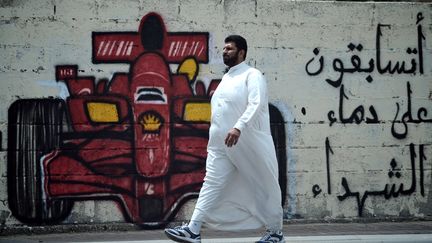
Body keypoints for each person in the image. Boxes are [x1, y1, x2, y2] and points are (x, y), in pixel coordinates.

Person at [164, 35, 285, 243]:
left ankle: (275, 233)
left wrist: (238, 127)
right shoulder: (227, 78)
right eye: (224, 48)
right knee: (211, 183)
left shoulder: (252, 75)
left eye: (229, 48)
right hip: (221, 146)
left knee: (265, 185)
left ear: (242, 53)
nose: (224, 52)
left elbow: (256, 104)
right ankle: (193, 229)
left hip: (250, 143)